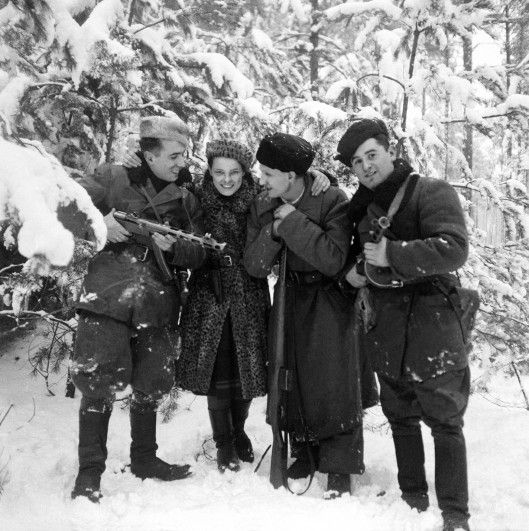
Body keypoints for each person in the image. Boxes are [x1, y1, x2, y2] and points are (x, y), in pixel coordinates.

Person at [121, 139, 331, 473]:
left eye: (234, 172)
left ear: (246, 172)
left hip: (249, 295)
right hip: (208, 295)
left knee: (246, 373)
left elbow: (294, 184)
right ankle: (224, 443)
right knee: (216, 374)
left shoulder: (263, 196)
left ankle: (239, 431)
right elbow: (160, 172)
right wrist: (135, 161)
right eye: (219, 172)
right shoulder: (193, 194)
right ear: (210, 171)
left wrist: (320, 174)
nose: (227, 179)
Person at [337, 118, 471, 531]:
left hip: (433, 323)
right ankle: (412, 498)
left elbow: (453, 249)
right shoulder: (362, 208)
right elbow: (364, 257)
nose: (366, 166)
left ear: (390, 151)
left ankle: (454, 513)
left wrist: (393, 253)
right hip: (388, 325)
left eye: (372, 155)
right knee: (401, 418)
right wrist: (355, 272)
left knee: (445, 422)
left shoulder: (430, 191)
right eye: (358, 162)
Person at [70, 116, 205, 502]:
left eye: (184, 155)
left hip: (158, 301)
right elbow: (67, 204)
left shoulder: (187, 196)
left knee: (152, 382)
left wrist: (174, 248)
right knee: (98, 382)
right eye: (175, 155)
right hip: (108, 296)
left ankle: (145, 460)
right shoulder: (113, 176)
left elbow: (199, 251)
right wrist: (100, 223)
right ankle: (89, 474)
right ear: (149, 154)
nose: (182, 162)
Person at [244, 132, 370, 498]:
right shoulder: (264, 203)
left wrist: (292, 222)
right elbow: (254, 264)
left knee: (334, 381)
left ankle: (339, 465)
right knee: (291, 374)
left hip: (330, 299)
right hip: (289, 296)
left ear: (292, 175)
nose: (262, 180)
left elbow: (333, 259)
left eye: (268, 173)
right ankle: (303, 450)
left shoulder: (331, 199)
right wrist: (274, 227)